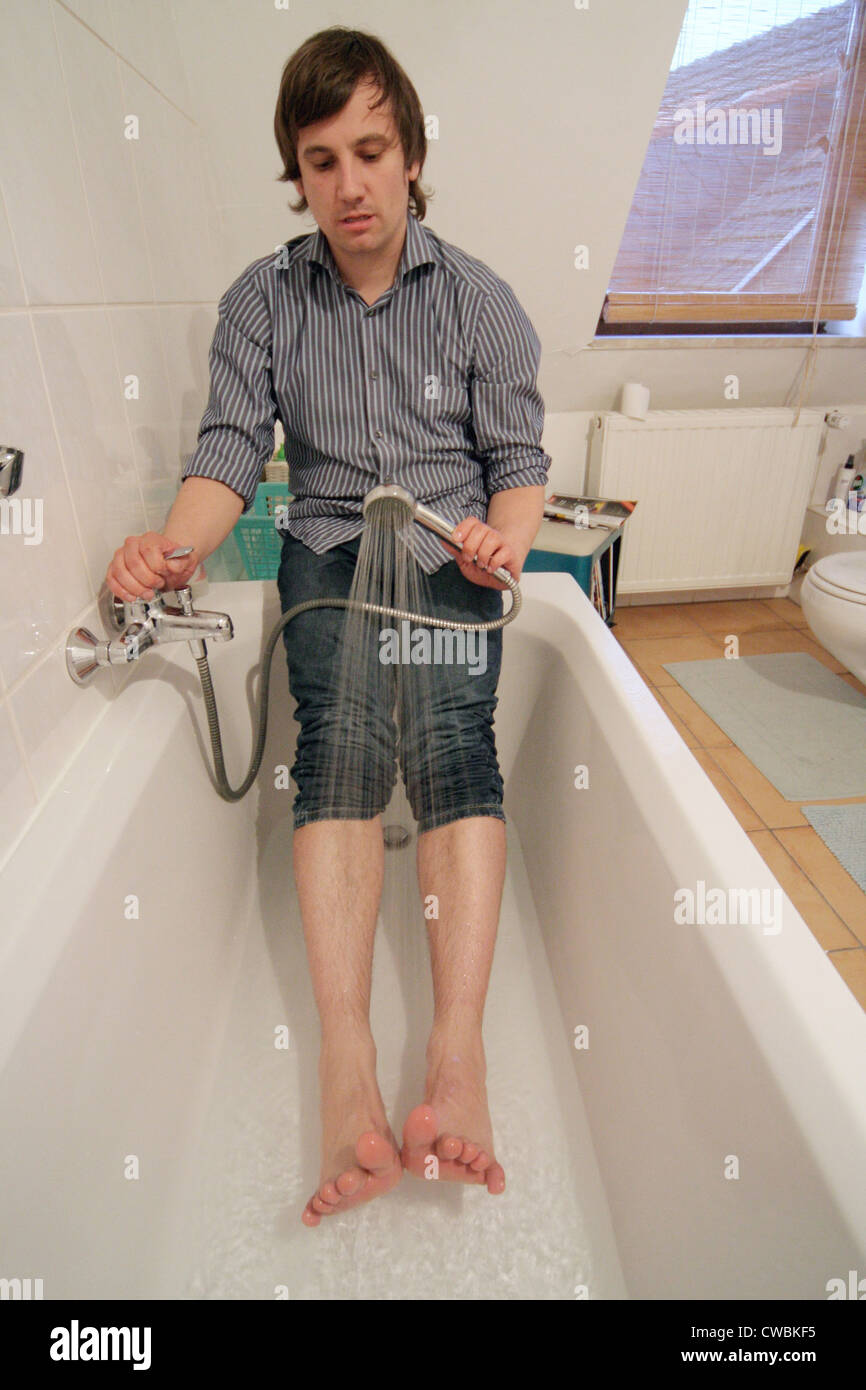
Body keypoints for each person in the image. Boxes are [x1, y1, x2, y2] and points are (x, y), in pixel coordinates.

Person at [104, 26, 551, 1227]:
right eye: (320, 159)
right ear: (294, 174)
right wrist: (177, 543)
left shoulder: (480, 300)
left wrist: (505, 534)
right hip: (329, 548)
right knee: (340, 745)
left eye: (370, 150)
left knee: (456, 743)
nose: (348, 184)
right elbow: (229, 452)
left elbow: (517, 464)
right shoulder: (263, 298)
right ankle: (347, 1061)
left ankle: (456, 1057)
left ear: (409, 155)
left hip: (449, 545)